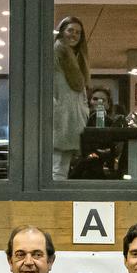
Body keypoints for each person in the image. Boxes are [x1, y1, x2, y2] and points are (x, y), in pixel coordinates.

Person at [52, 15, 89, 178]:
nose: (74, 35)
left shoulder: (76, 58)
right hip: (60, 119)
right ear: (61, 32)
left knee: (61, 168)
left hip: (68, 120)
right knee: (57, 170)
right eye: (70, 30)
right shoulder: (55, 53)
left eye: (78, 33)